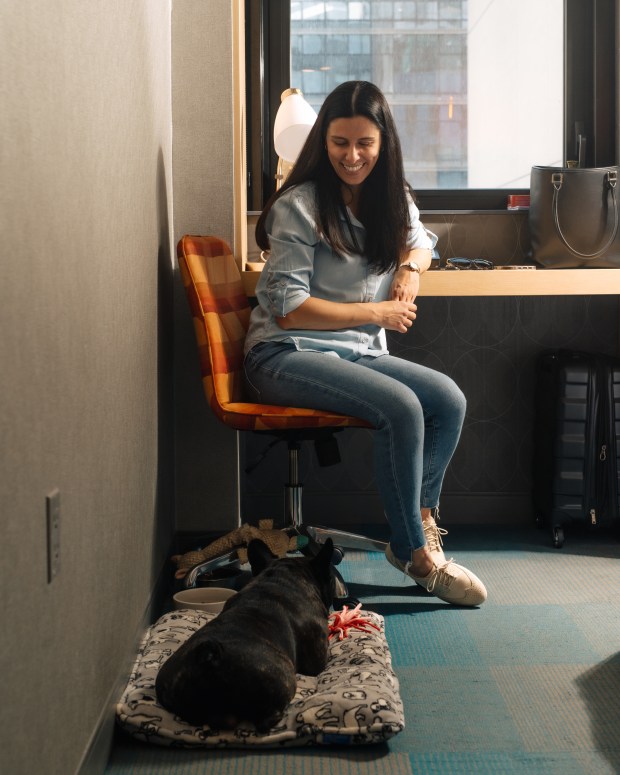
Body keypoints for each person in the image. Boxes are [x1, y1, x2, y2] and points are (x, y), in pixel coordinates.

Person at [243, 81, 487, 606]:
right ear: (321, 142)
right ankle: (417, 554)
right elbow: (287, 307)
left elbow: (422, 241)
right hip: (285, 354)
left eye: (364, 144)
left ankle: (419, 525)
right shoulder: (299, 205)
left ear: (384, 144)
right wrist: (377, 311)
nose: (352, 156)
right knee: (401, 408)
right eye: (339, 143)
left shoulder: (390, 198)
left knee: (447, 399)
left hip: (358, 351)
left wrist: (409, 270)